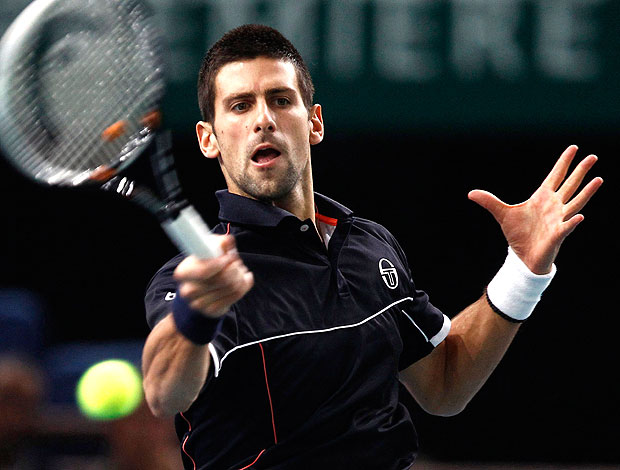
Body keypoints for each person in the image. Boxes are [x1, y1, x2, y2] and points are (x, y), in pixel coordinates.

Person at [141, 24, 603, 469]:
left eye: (281, 100)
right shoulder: (193, 278)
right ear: (209, 139)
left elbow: (444, 385)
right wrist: (197, 309)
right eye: (240, 106)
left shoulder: (367, 245)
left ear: (314, 122)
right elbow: (164, 393)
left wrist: (522, 269)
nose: (264, 119)